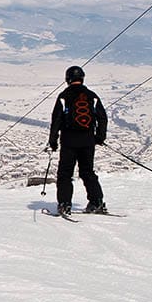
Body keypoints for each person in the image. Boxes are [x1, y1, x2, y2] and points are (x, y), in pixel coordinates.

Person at [48, 66, 108, 215]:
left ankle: (64, 204)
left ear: (67, 79)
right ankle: (97, 202)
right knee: (87, 172)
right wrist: (99, 137)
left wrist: (53, 141)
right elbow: (102, 118)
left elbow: (56, 120)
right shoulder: (92, 96)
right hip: (88, 140)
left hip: (69, 141)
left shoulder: (63, 96)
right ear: (82, 78)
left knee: (65, 174)